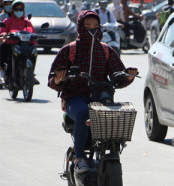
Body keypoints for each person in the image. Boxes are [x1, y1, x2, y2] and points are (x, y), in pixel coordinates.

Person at [48, 10, 138, 173]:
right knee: (83, 112)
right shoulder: (68, 50)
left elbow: (118, 77)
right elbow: (52, 81)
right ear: (80, 27)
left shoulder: (106, 50)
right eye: (87, 26)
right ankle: (79, 158)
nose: (92, 29)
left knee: (117, 115)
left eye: (96, 26)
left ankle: (111, 153)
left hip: (101, 98)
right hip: (74, 99)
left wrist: (129, 76)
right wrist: (58, 79)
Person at [0, 0, 35, 85]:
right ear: (13, 10)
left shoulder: (27, 22)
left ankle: (31, 75)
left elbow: (32, 32)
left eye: (20, 9)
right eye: (16, 9)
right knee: (2, 48)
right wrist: (4, 34)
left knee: (34, 53)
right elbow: (2, 31)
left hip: (25, 45)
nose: (18, 11)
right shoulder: (7, 21)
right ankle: (3, 74)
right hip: (11, 44)